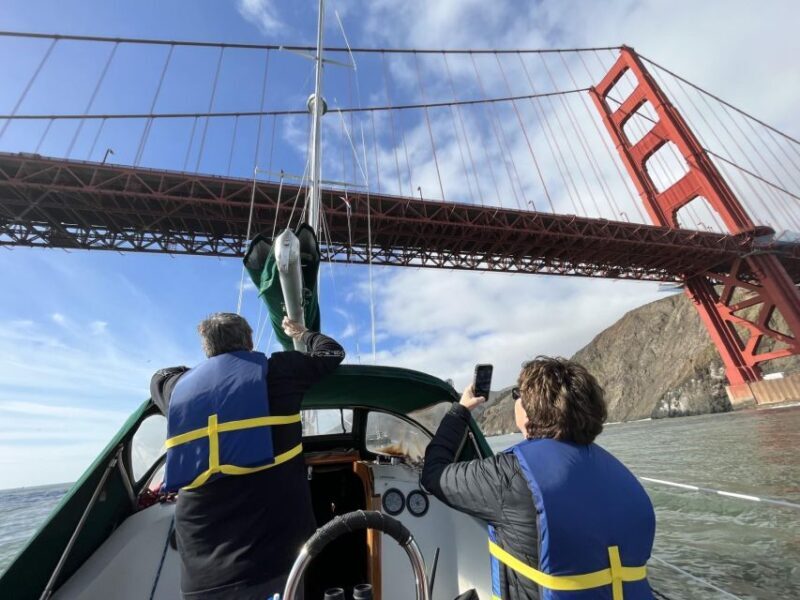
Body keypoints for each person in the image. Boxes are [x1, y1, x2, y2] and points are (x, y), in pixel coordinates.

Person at [421, 356, 655, 600]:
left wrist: (461, 410)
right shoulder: (624, 478)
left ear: (530, 410)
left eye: (516, 394)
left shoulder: (509, 476)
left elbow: (434, 474)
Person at [150, 313, 345, 600]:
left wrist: (202, 371)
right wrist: (301, 333)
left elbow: (158, 376)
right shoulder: (278, 372)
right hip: (273, 563)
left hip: (200, 574)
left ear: (206, 348)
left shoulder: (177, 389)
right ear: (250, 342)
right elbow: (332, 351)